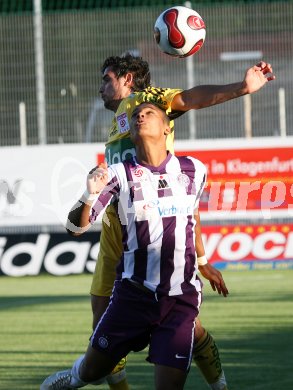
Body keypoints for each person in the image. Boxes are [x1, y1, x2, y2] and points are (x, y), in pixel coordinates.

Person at [89, 54, 275, 390]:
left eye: (107, 78)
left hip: (150, 229)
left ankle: (218, 382)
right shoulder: (121, 117)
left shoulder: (146, 103)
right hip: (116, 225)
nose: (101, 87)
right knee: (101, 325)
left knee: (188, 326)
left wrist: (242, 88)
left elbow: (189, 98)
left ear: (128, 79)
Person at [41, 102, 209, 390]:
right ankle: (75, 377)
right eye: (135, 116)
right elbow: (75, 228)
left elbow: (192, 217)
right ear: (131, 134)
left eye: (149, 113)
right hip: (133, 296)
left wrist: (203, 261)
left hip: (180, 300)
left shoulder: (195, 169)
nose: (140, 116)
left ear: (167, 128)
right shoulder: (119, 175)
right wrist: (88, 194)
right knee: (93, 372)